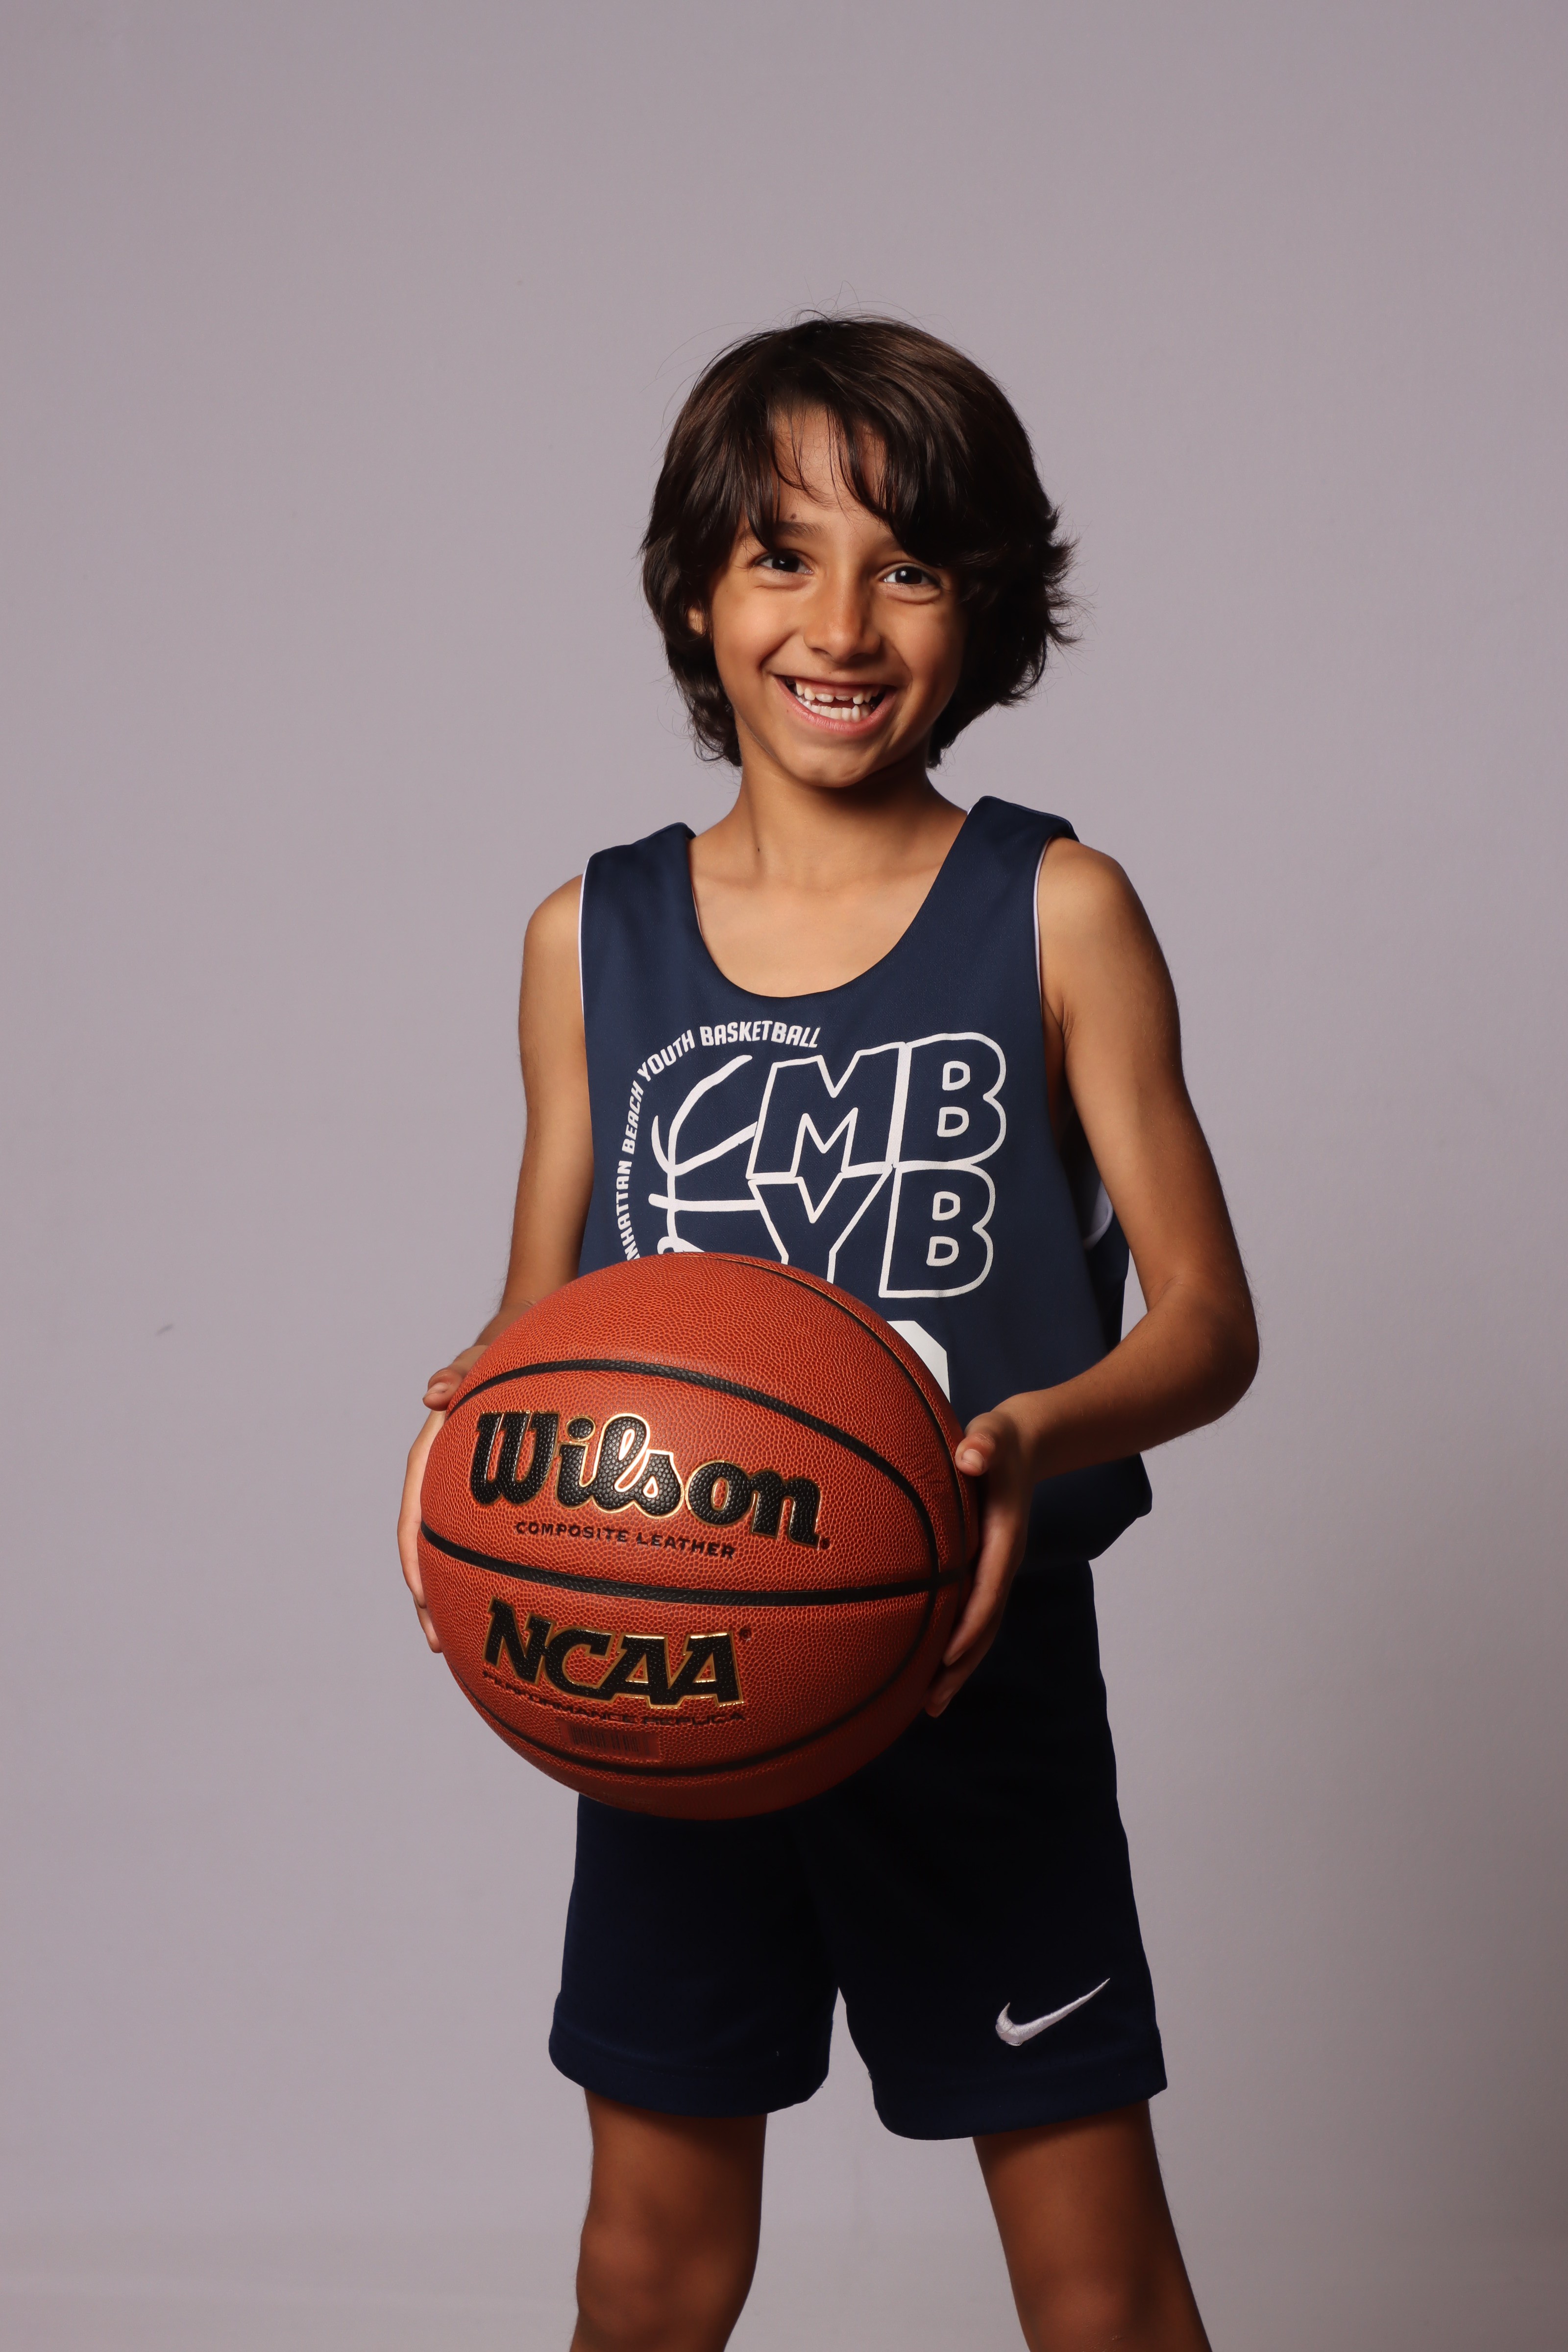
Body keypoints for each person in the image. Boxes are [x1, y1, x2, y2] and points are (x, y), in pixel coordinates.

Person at [398, 317, 1258, 2352]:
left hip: (973, 1673)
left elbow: (1213, 1324)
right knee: (647, 2269)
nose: (841, 625)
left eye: (908, 566)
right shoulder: (587, 937)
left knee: (1098, 2288)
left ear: (983, 606)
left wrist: (1021, 1439)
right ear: (699, 597)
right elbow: (540, 1325)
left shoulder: (1054, 908)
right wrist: (463, 1471)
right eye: (781, 557)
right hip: (679, 1678)